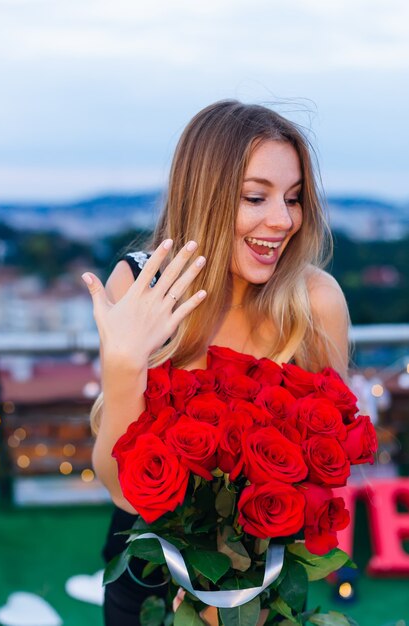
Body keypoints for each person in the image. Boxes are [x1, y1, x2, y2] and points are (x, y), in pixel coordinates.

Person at [82, 100, 350, 626]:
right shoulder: (140, 287)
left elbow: (326, 472)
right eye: (256, 197)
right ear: (204, 193)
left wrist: (232, 585)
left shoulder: (316, 301)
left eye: (294, 199)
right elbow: (121, 488)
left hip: (265, 580)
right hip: (150, 572)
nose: (283, 221)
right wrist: (121, 365)